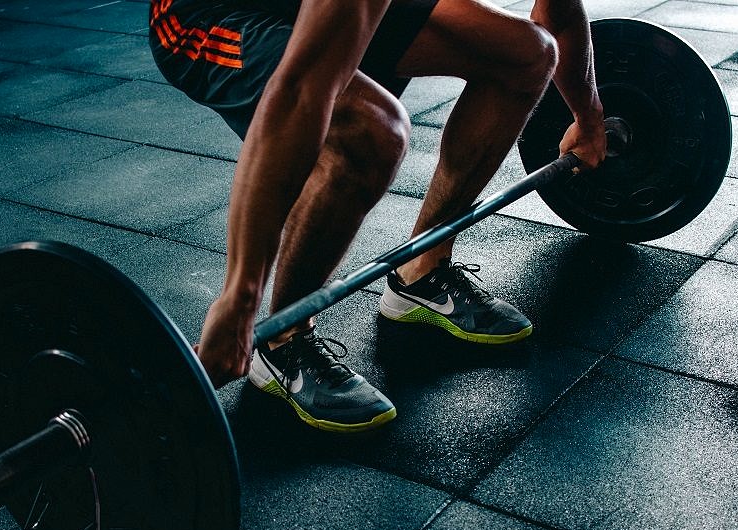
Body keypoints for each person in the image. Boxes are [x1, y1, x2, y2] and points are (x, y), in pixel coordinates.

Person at [149, 0, 606, 432]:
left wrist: (588, 117)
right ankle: (283, 341)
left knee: (526, 54)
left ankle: (420, 271)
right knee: (372, 130)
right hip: (208, 13)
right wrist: (240, 298)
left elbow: (559, 13)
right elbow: (302, 90)